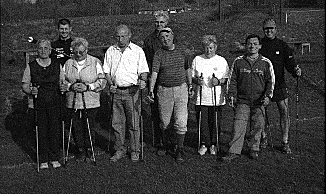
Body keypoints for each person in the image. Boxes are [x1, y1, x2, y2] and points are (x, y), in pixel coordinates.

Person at [222, 34, 275, 162]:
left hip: (259, 101)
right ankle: (234, 151)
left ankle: (254, 149)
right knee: (238, 125)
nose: (252, 46)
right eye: (250, 44)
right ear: (246, 45)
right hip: (242, 101)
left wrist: (268, 96)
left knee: (258, 126)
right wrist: (231, 95)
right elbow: (232, 80)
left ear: (260, 46)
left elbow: (270, 82)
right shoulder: (238, 61)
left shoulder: (266, 62)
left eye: (255, 44)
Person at [103, 25, 149, 162]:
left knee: (134, 123)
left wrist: (143, 80)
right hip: (116, 91)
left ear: (130, 35)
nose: (120, 39)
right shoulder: (111, 50)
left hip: (132, 91)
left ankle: (135, 150)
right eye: (117, 36)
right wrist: (111, 84)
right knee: (117, 123)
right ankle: (120, 149)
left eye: (123, 36)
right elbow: (106, 71)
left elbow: (144, 70)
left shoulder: (137, 51)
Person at [148, 27, 192, 163]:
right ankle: (166, 144)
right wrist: (151, 90)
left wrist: (190, 85)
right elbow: (154, 73)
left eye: (167, 37)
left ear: (172, 36)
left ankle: (180, 149)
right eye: (162, 38)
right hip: (164, 90)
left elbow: (187, 69)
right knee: (165, 121)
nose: (165, 39)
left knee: (181, 120)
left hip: (181, 90)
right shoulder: (159, 54)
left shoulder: (183, 51)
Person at [60, 37, 106, 162]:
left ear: (87, 50)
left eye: (82, 52)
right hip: (73, 100)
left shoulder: (95, 61)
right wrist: (71, 86)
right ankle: (80, 149)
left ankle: (90, 148)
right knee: (76, 126)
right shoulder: (68, 63)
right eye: (76, 52)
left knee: (89, 125)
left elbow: (102, 81)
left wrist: (88, 86)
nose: (79, 55)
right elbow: (62, 81)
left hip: (90, 100)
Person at [259, 18, 302, 153]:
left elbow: (290, 64)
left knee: (284, 110)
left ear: (276, 30)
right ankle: (263, 137)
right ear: (263, 30)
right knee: (261, 112)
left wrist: (296, 71)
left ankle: (285, 141)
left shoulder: (282, 45)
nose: (269, 31)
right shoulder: (259, 45)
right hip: (263, 85)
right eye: (266, 29)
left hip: (279, 84)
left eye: (271, 28)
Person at [22, 39, 62, 169]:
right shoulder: (31, 66)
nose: (43, 51)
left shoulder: (57, 65)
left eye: (46, 48)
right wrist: (30, 90)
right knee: (42, 131)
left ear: (50, 51)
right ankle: (43, 159)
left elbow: (62, 82)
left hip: (54, 103)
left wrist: (63, 87)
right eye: (40, 48)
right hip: (38, 104)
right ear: (37, 50)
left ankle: (54, 157)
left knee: (54, 130)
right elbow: (25, 85)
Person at [192, 35, 229, 156]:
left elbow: (226, 78)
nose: (209, 50)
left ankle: (213, 144)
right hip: (201, 97)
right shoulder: (197, 59)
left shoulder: (221, 61)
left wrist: (218, 81)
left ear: (215, 47)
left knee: (215, 121)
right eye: (206, 47)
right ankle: (204, 143)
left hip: (216, 98)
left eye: (211, 48)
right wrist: (197, 80)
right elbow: (192, 76)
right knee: (203, 122)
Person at [143, 10, 170, 151]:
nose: (159, 25)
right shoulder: (149, 40)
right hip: (154, 79)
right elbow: (146, 60)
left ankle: (170, 140)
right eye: (157, 22)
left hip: (169, 79)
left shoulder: (172, 37)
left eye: (162, 22)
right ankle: (159, 141)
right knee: (156, 111)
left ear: (167, 23)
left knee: (169, 111)